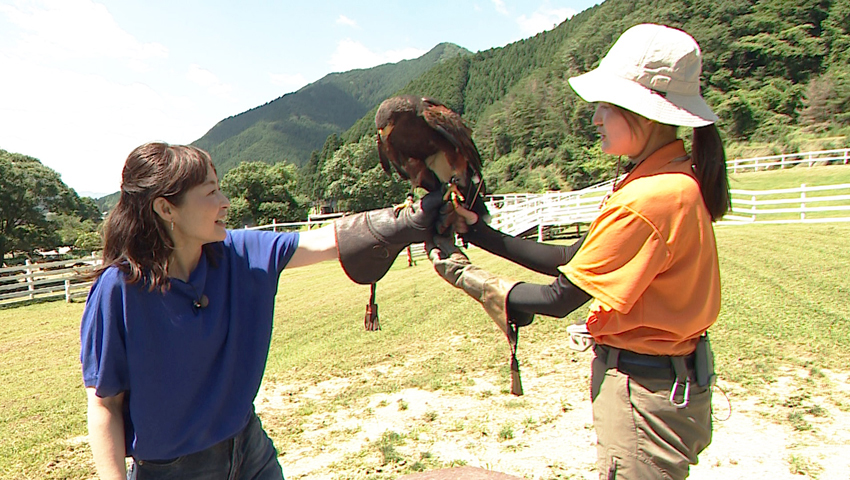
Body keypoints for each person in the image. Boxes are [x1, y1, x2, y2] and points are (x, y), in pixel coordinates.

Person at [428, 23, 729, 480]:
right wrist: (481, 233)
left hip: (645, 393)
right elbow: (576, 257)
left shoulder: (650, 198)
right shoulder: (667, 175)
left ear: (642, 113)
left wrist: (470, 279)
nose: (594, 119)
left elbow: (561, 297)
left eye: (605, 107)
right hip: (666, 382)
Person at [80, 142, 440, 479]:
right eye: (211, 192)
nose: (225, 202)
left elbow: (327, 240)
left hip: (250, 449)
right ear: (166, 208)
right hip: (175, 469)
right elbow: (104, 406)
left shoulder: (238, 253)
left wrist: (416, 217)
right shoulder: (120, 290)